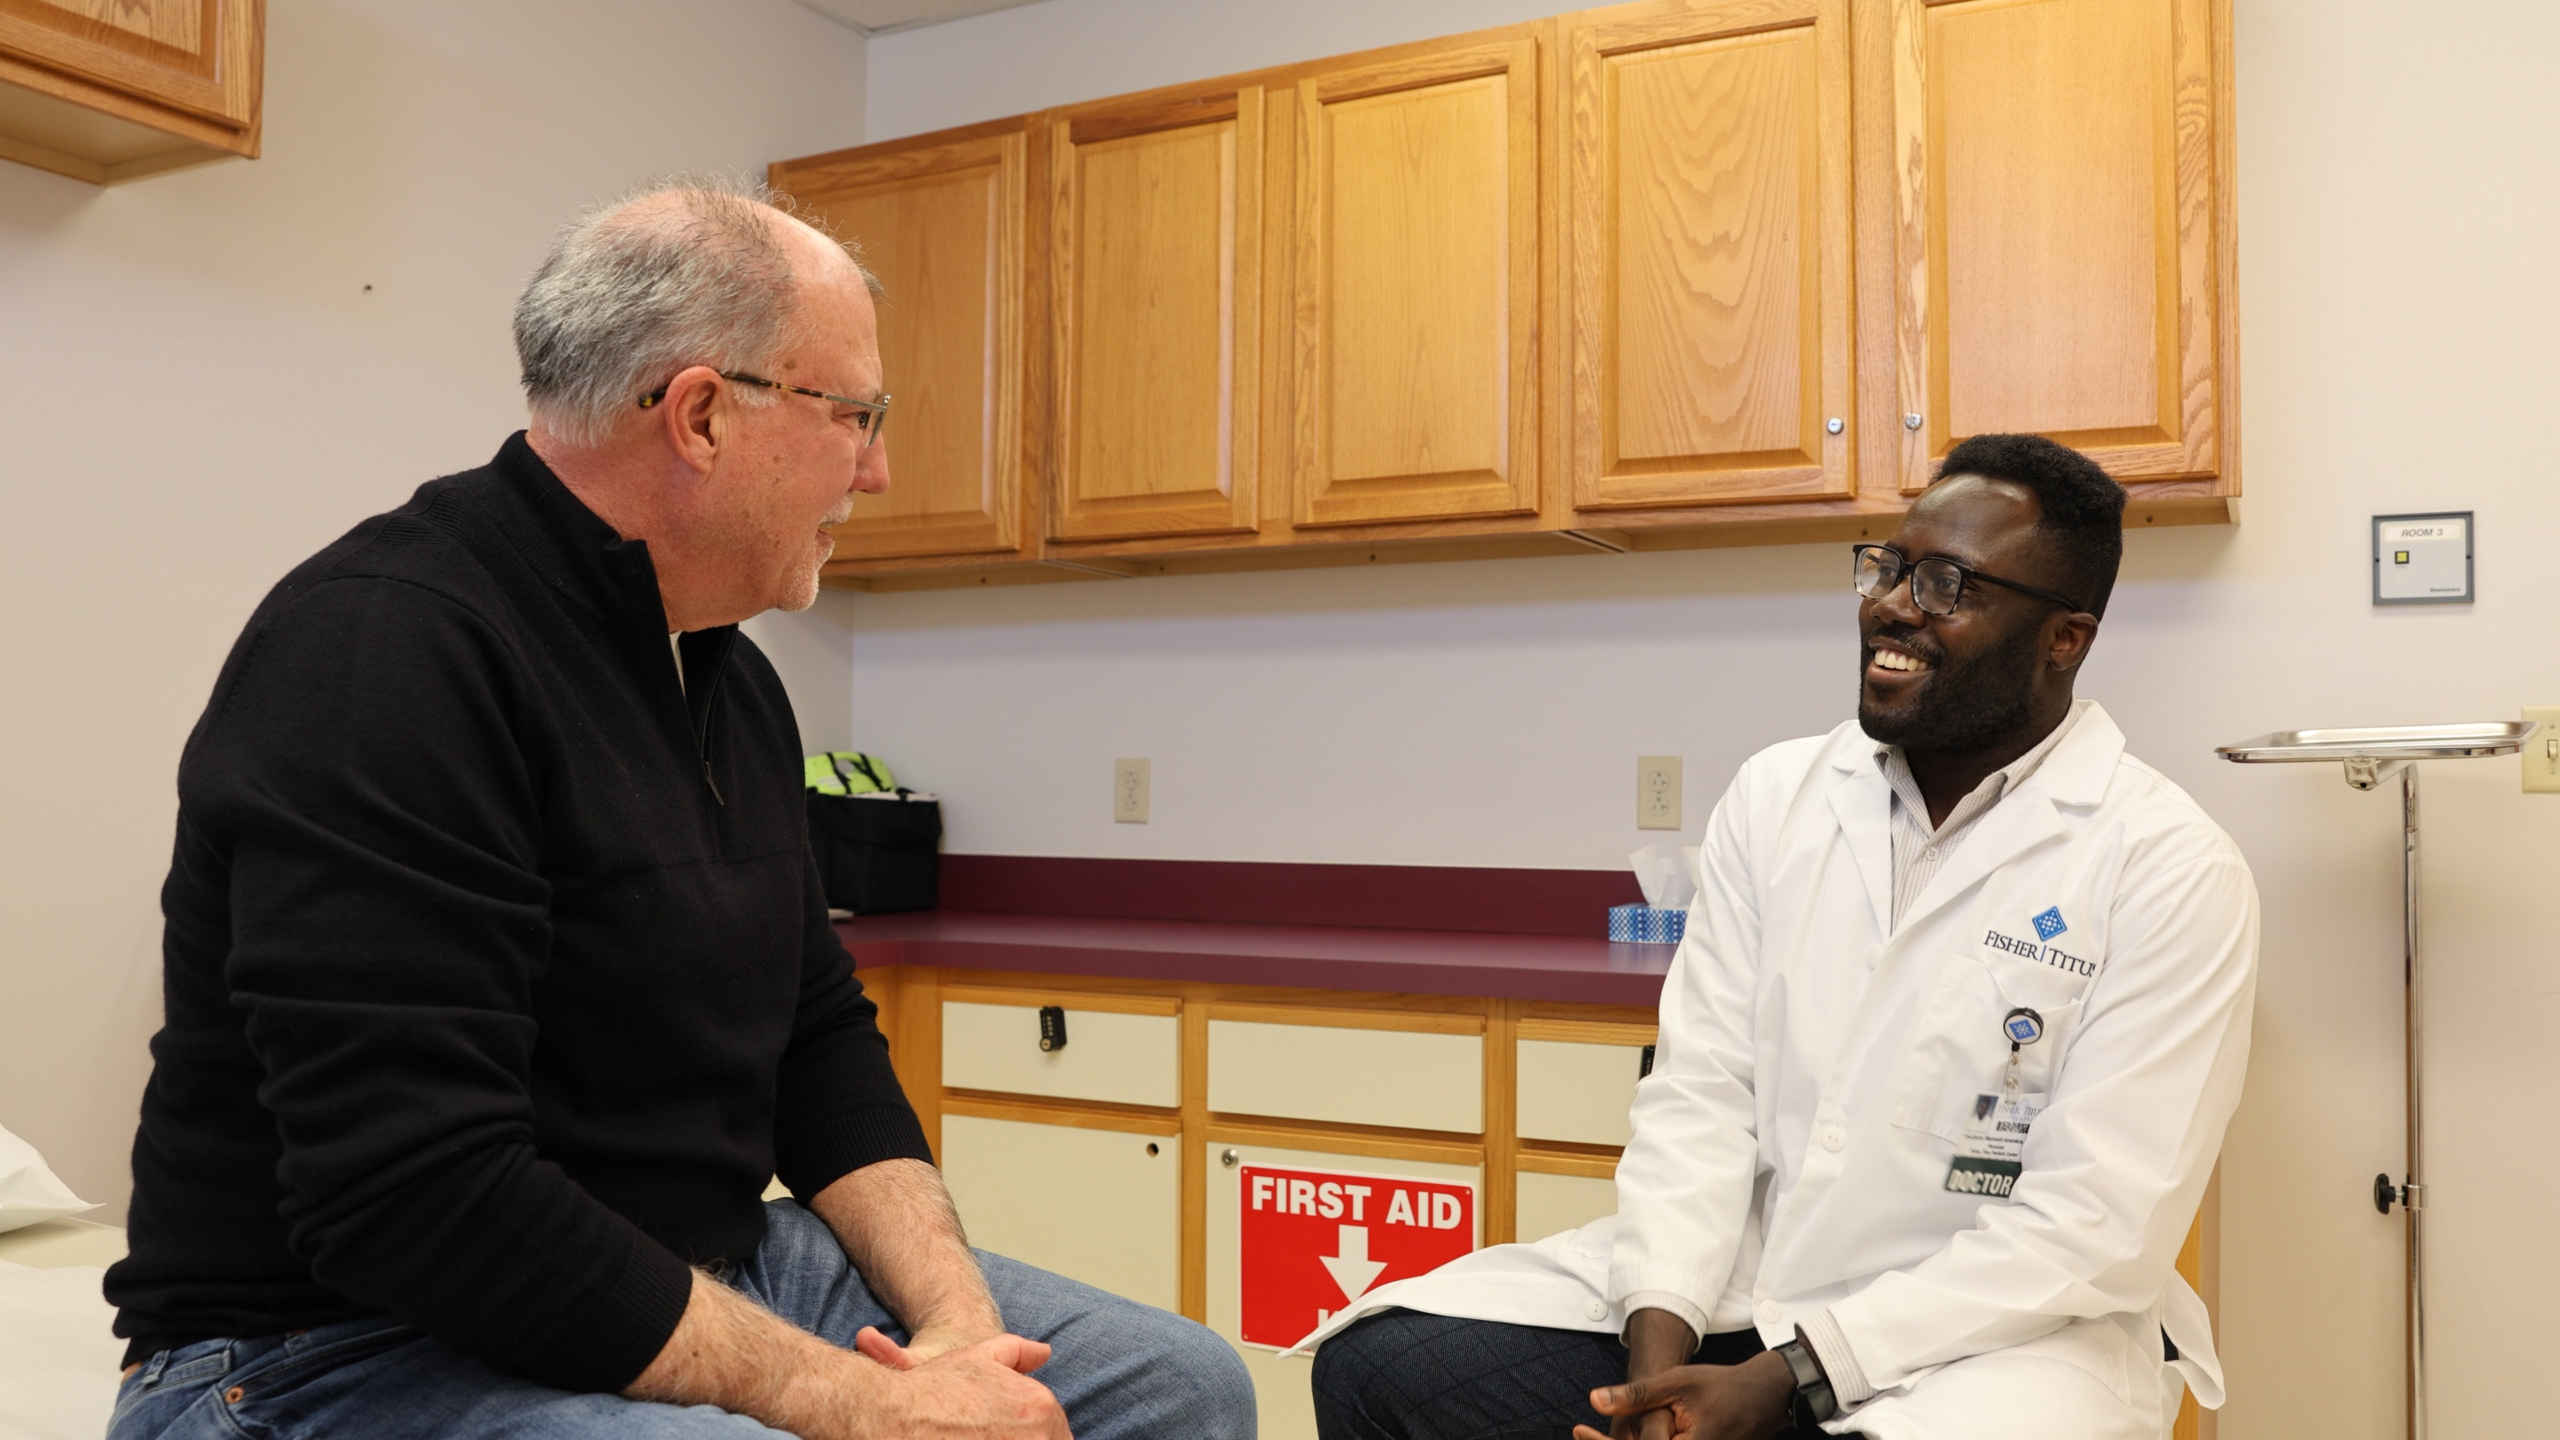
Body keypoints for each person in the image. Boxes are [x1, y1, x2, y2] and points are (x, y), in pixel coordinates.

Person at [102, 179, 1254, 1440]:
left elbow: (815, 1041)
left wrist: (958, 1332)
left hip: (700, 1264)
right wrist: (861, 1406)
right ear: (702, 415)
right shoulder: (384, 650)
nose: (877, 470)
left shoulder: (726, 675)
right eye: (855, 416)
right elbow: (418, 1197)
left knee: (1176, 1387)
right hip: (335, 1346)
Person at [1306, 436, 2256, 1440]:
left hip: (1997, 1342)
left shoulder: (2165, 866)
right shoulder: (1776, 798)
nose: (1890, 604)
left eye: (1947, 584)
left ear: (2064, 638)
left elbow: (2093, 1230)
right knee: (1382, 1371)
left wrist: (1788, 1380)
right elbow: (1699, 1100)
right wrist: (1652, 1380)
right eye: (1888, 567)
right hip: (1739, 1287)